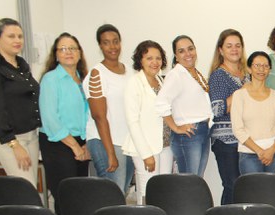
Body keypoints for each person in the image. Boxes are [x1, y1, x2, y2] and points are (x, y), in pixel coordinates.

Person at [38, 33, 90, 215]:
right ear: (56, 54)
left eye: (73, 48)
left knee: (80, 193)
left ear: (79, 53)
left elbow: (89, 114)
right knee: (65, 193)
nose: (69, 52)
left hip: (81, 142)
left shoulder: (83, 79)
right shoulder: (51, 79)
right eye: (63, 49)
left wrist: (86, 144)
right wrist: (75, 146)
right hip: (58, 142)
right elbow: (50, 118)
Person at [0, 18, 41, 187]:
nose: (17, 40)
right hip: (9, 140)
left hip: (31, 135)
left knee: (31, 188)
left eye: (20, 36)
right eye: (11, 36)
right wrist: (14, 144)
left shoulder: (22, 65)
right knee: (27, 190)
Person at [84, 24, 133, 194]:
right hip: (106, 141)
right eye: (106, 43)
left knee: (123, 191)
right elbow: (99, 116)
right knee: (113, 193)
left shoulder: (129, 71)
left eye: (115, 41)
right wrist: (110, 153)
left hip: (126, 141)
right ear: (100, 46)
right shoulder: (97, 74)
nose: (112, 47)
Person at [123, 40, 172, 202]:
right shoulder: (134, 83)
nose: (155, 62)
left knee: (163, 191)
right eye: (149, 58)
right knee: (147, 193)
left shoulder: (161, 81)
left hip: (164, 145)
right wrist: (146, 155)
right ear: (140, 60)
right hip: (146, 148)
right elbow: (133, 122)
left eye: (158, 58)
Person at [155, 35, 213, 176]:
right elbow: (161, 103)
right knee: (189, 183)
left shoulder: (195, 73)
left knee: (197, 180)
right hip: (189, 135)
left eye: (190, 49)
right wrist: (175, 127)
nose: (188, 54)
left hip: (203, 131)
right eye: (181, 51)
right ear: (176, 55)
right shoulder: (176, 75)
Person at [208, 29, 248, 204]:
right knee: (232, 185)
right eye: (229, 46)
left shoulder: (248, 74)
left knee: (243, 187)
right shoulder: (218, 75)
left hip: (245, 140)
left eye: (238, 45)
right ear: (221, 50)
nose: (234, 49)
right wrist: (242, 92)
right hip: (226, 140)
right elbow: (217, 109)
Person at [232, 51, 275, 174]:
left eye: (265, 66)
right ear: (249, 68)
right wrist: (259, 151)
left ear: (269, 70)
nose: (261, 69)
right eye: (257, 65)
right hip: (249, 154)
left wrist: (272, 150)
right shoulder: (239, 95)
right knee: (253, 192)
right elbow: (238, 129)